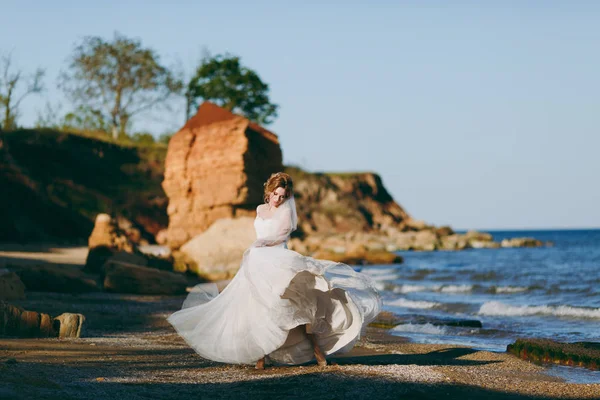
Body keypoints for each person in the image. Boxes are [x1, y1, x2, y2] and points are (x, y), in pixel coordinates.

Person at [167, 172, 382, 369]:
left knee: (293, 310)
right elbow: (260, 234)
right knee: (257, 307)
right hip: (257, 261)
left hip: (278, 259)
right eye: (276, 195)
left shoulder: (286, 211)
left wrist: (260, 244)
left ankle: (318, 353)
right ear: (269, 192)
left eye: (283, 196)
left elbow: (282, 235)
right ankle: (261, 356)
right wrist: (256, 248)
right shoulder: (260, 210)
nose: (279, 199)